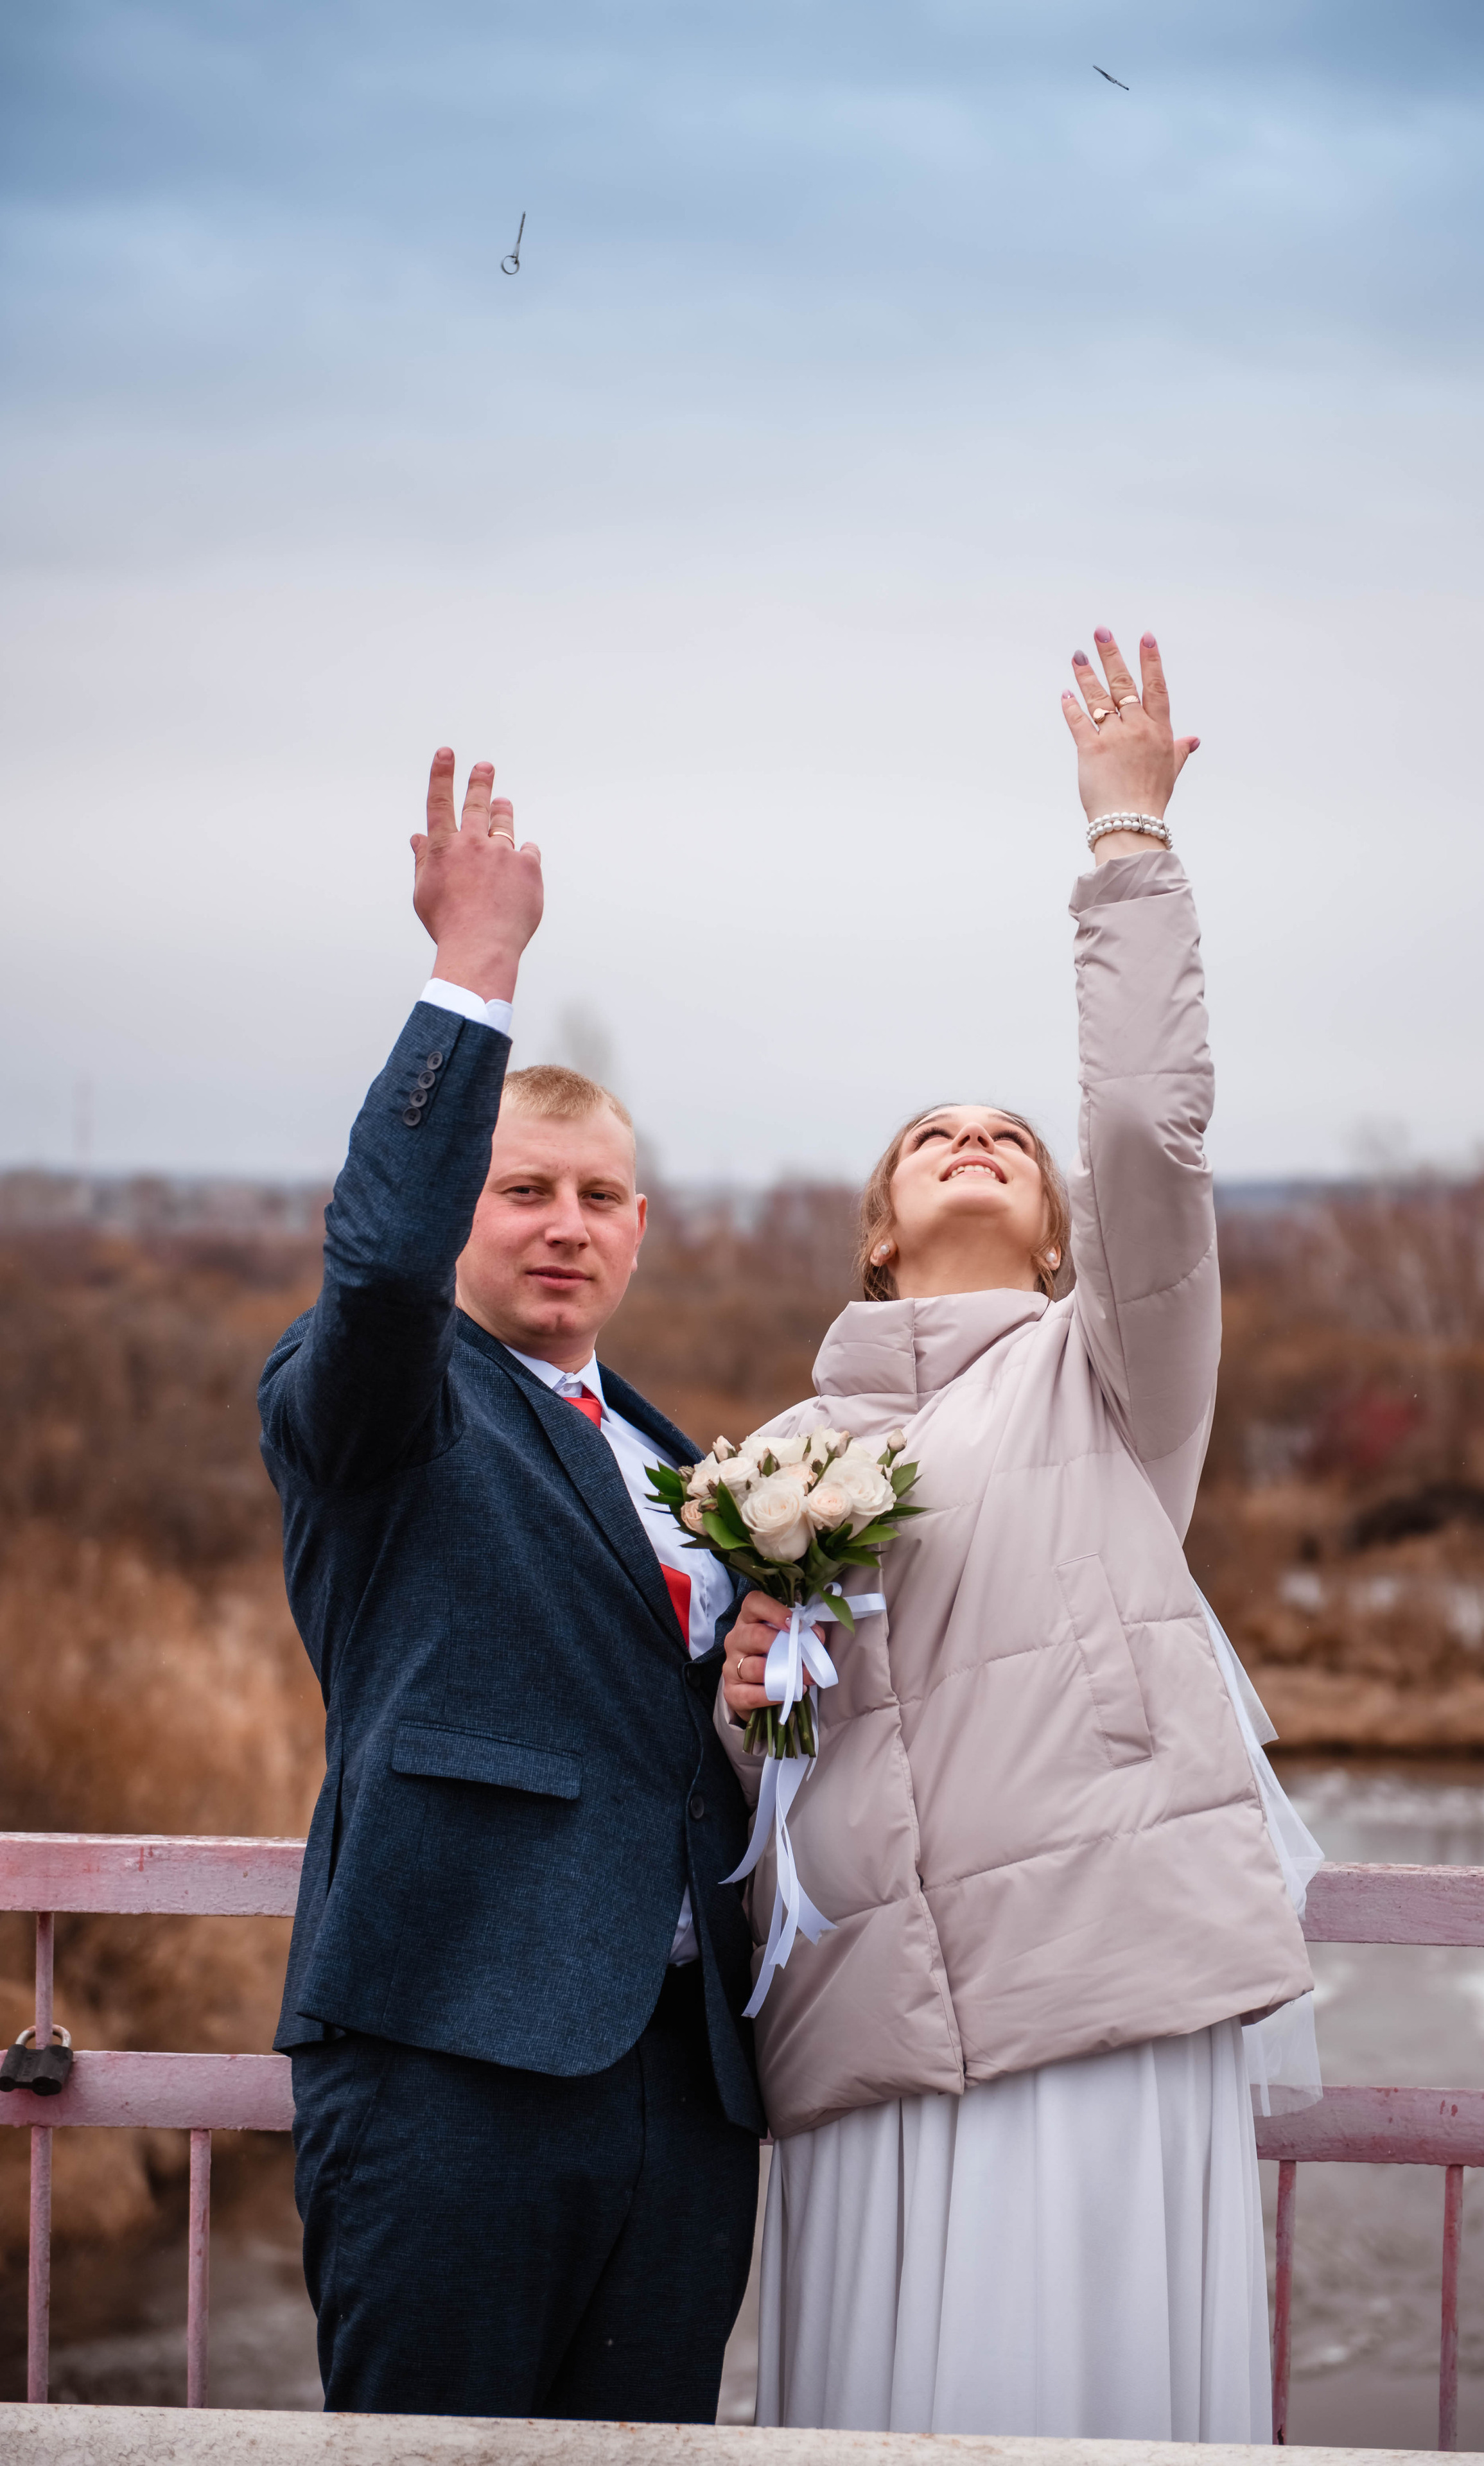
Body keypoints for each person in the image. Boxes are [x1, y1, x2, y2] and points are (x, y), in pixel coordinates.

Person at [717, 627, 1319, 2439]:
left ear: (1062, 1231)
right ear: (880, 1235)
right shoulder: (782, 1459)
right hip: (870, 2042)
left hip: (1093, 2015)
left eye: (1006, 1136)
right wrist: (746, 1699)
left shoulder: (1110, 1378)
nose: (976, 1141)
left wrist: (1125, 842)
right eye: (931, 1135)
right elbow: (765, 1769)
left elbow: (1148, 1129)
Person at [260, 750, 762, 2420]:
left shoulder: (677, 1456)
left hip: (681, 2091)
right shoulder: (379, 1408)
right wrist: (473, 974)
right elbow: (382, 1268)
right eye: (523, 1190)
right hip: (448, 2054)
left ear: (641, 1228)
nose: (565, 1226)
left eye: (599, 1198)